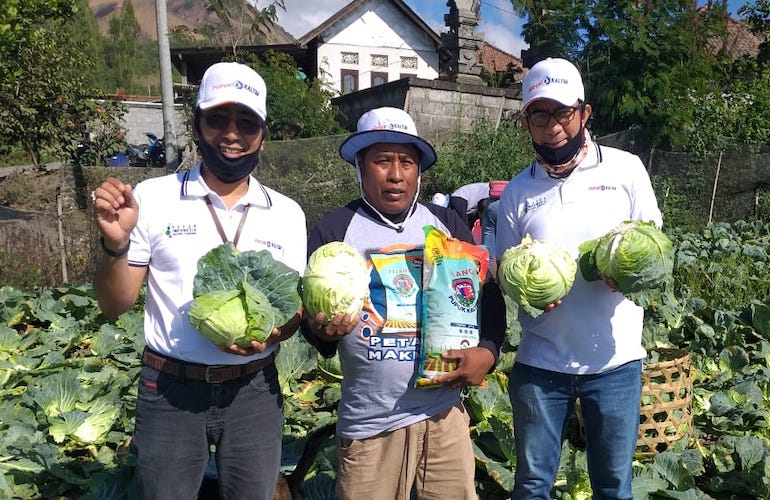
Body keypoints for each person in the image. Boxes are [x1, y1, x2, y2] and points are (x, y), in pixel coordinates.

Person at [91, 61, 306, 500]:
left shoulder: (287, 212)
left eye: (247, 122)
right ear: (196, 124)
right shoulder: (152, 197)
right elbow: (114, 305)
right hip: (170, 390)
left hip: (254, 391)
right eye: (218, 119)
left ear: (263, 133)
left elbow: (293, 309)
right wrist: (115, 243)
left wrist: (269, 336)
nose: (232, 134)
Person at [300, 107, 506, 500]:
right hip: (370, 423)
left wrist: (490, 352)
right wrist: (321, 330)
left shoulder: (447, 223)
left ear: (418, 170)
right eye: (382, 161)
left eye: (406, 162)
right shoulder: (333, 229)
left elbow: (487, 296)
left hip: (444, 414)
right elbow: (320, 335)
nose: (396, 174)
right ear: (360, 166)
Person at [495, 57, 663, 499]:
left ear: (584, 113)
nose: (553, 126)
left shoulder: (625, 171)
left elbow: (652, 243)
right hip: (540, 362)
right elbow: (501, 267)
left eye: (563, 112)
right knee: (531, 485)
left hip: (615, 362)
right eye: (540, 114)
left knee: (613, 485)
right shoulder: (517, 191)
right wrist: (525, 291)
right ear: (525, 121)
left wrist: (624, 272)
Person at [480, 179, 508, 274]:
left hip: (491, 205)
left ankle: (487, 277)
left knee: (488, 242)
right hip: (506, 204)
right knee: (507, 245)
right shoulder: (516, 184)